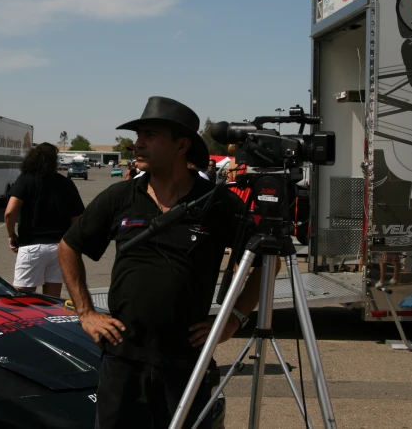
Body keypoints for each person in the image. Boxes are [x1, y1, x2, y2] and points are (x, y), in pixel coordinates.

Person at [58, 96, 276, 429]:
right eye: (138, 135)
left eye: (150, 135)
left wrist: (233, 319)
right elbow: (68, 245)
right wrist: (86, 312)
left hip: (187, 361)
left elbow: (269, 263)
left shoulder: (218, 204)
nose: (137, 143)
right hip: (122, 359)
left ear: (182, 144)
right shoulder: (120, 196)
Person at [4, 142, 85, 297]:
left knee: (23, 301)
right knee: (52, 301)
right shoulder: (66, 183)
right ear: (54, 161)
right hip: (59, 247)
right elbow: (76, 218)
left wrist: (11, 234)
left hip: (31, 246)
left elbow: (9, 212)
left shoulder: (25, 179)